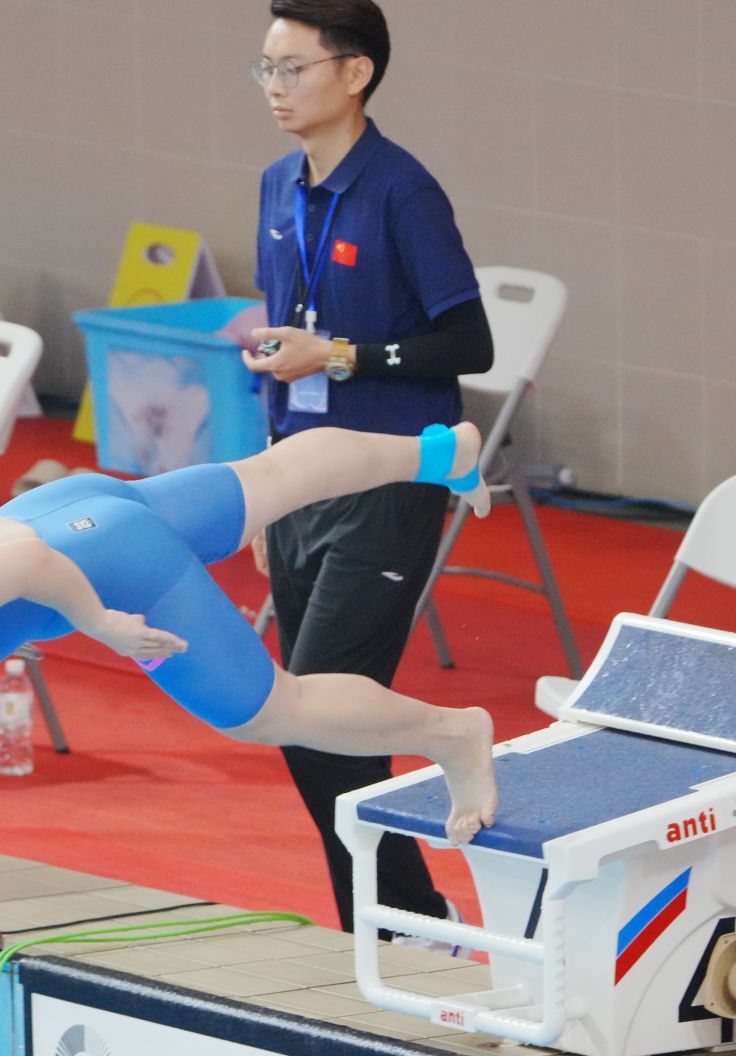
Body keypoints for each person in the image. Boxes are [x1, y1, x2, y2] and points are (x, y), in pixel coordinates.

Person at [0, 422, 501, 843]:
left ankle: (454, 734)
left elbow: (24, 563)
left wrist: (101, 624)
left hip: (108, 561)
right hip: (68, 505)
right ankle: (439, 451)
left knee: (269, 711)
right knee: (270, 477)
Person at [239, 0, 494, 931]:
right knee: (313, 726)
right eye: (265, 68)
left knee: (316, 721)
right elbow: (287, 344)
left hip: (387, 484)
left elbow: (469, 343)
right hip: (301, 480)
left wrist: (341, 356)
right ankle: (398, 929)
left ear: (355, 74)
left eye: (293, 68)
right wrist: (268, 487)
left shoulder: (402, 192)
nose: (274, 87)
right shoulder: (277, 185)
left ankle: (405, 924)